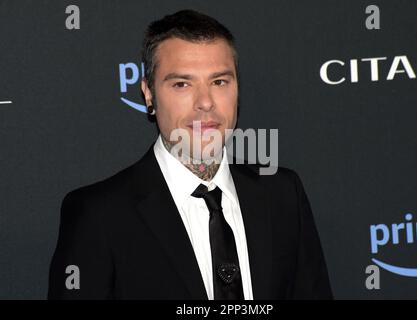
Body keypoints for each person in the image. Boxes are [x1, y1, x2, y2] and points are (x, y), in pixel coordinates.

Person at [48, 9, 333, 300]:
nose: (206, 102)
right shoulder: (98, 215)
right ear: (149, 94)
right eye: (182, 84)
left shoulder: (283, 194)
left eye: (219, 82)